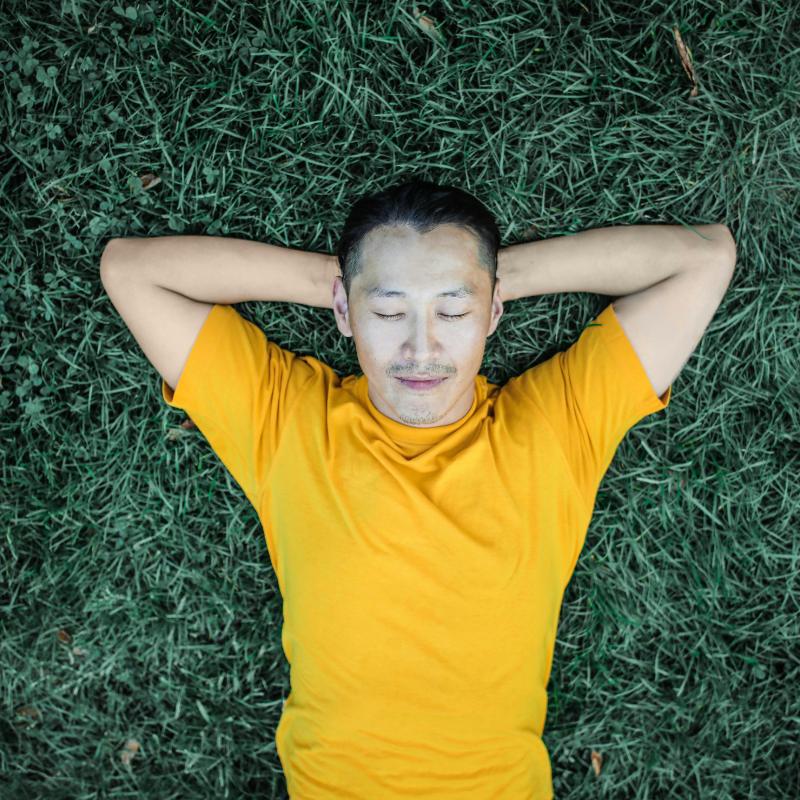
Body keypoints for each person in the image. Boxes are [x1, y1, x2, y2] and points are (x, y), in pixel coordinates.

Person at [100, 178, 736, 799]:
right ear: (345, 311)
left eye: (453, 311)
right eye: (388, 311)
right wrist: (349, 280)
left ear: (492, 313)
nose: (421, 346)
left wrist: (482, 276)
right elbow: (131, 271)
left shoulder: (557, 425)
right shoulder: (288, 423)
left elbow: (703, 258)